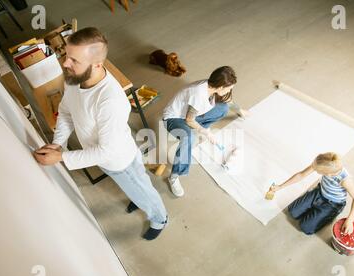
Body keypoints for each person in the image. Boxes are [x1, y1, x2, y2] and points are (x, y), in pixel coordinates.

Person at [33, 27, 168, 240]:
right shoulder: (74, 78)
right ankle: (139, 195)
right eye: (67, 56)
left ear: (97, 64)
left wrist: (62, 157)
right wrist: (59, 143)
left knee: (143, 189)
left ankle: (160, 218)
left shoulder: (110, 101)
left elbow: (106, 151)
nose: (66, 64)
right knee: (139, 186)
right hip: (106, 154)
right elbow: (67, 112)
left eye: (74, 60)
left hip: (119, 161)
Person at [162, 66, 247, 197]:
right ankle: (174, 176)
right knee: (188, 138)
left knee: (223, 108)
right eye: (229, 88)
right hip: (174, 118)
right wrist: (206, 132)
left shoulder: (212, 86)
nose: (230, 91)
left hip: (190, 114)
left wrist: (240, 111)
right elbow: (189, 120)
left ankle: (199, 130)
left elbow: (228, 101)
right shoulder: (198, 94)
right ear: (220, 87)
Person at [267, 152, 354, 235]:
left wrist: (350, 220)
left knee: (305, 227)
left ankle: (329, 215)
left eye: (317, 171)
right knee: (292, 211)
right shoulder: (323, 163)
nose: (314, 170)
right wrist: (280, 186)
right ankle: (315, 209)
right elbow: (301, 175)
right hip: (319, 192)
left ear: (327, 174)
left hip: (333, 204)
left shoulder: (345, 180)